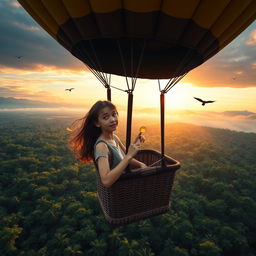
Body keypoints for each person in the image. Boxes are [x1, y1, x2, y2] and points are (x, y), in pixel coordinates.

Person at [70, 100, 147, 187]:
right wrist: (129, 156)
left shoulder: (115, 138)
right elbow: (106, 181)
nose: (113, 120)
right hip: (119, 191)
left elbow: (126, 156)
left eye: (114, 115)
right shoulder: (102, 146)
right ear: (97, 123)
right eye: (106, 118)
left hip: (128, 185)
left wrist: (141, 164)